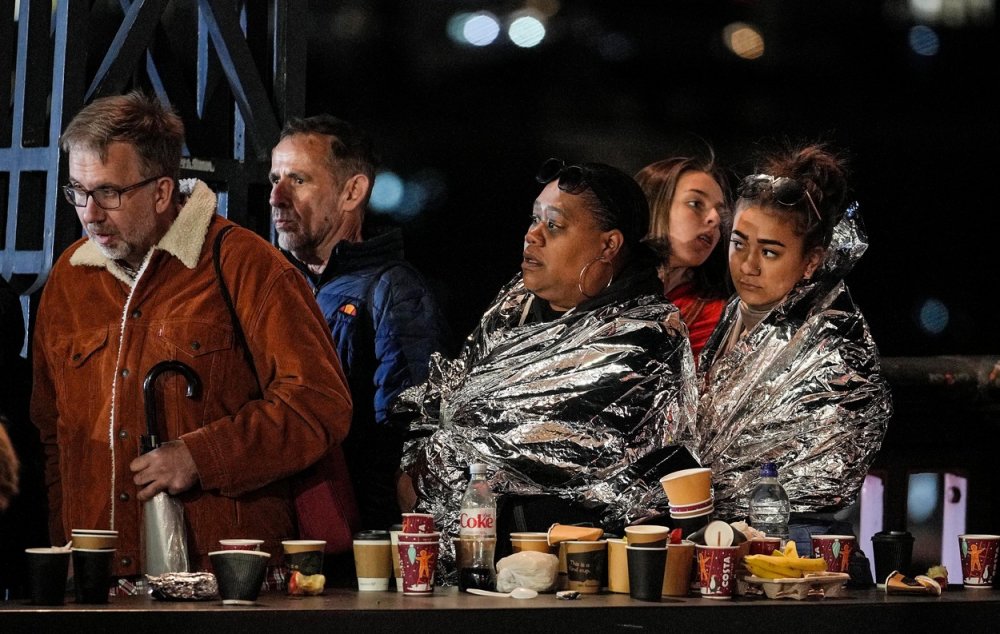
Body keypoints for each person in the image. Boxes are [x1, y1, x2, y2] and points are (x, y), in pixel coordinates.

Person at [30, 91, 353, 592]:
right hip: (100, 587)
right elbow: (53, 438)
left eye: (108, 193)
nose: (89, 213)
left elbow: (318, 404)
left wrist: (202, 456)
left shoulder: (248, 267)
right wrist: (69, 558)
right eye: (77, 191)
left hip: (224, 586)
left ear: (162, 192)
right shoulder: (68, 281)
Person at [394, 158, 699, 583]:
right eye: (534, 220)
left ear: (609, 245)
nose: (532, 235)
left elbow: (540, 447)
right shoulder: (515, 307)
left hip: (566, 576)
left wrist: (440, 454)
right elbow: (446, 396)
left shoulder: (644, 335)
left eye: (553, 226)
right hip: (464, 563)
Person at [678, 142, 892, 555]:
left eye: (770, 252)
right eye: (739, 243)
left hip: (801, 555)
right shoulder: (736, 315)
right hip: (723, 542)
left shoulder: (832, 344)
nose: (748, 265)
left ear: (811, 261)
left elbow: (821, 487)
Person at [269, 115, 447, 533]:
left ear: (353, 191)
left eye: (298, 180)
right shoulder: (277, 284)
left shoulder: (394, 291)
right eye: (275, 177)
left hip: (355, 546)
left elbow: (411, 439)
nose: (276, 196)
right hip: (293, 532)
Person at [636, 155, 732, 362]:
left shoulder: (714, 315)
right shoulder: (596, 281)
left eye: (720, 213)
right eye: (696, 203)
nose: (715, 219)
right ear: (653, 205)